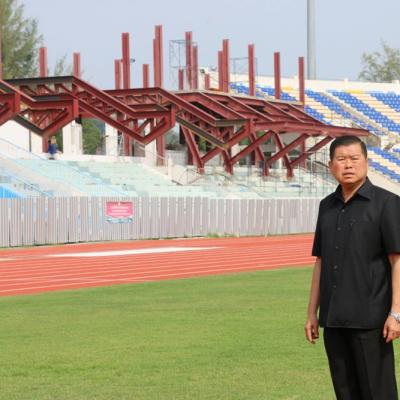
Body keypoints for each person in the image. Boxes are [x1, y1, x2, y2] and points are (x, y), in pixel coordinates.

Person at [305, 135, 400, 399]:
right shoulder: (326, 206)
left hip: (371, 321)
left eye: (354, 158)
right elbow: (320, 261)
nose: (348, 165)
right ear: (330, 165)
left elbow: (397, 260)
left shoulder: (387, 203)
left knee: (378, 393)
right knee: (345, 392)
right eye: (341, 159)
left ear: (367, 163)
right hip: (333, 320)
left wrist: (396, 314)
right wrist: (312, 313)